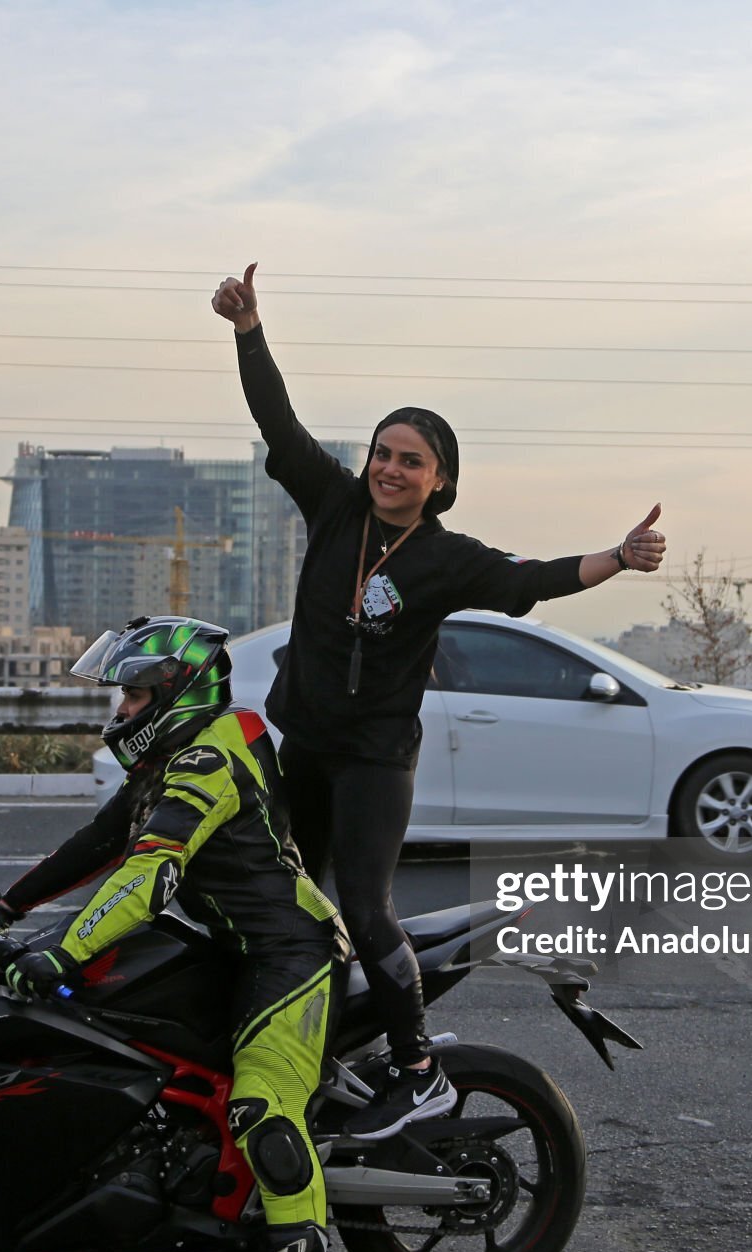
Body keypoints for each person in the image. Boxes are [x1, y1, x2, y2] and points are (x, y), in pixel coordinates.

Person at [211, 263, 667, 1141]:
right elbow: (278, 418)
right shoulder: (334, 504)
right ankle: (300, 1044)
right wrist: (249, 328)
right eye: (382, 453)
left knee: (366, 907)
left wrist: (617, 554)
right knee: (278, 897)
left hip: (376, 760)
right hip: (302, 741)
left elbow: (531, 581)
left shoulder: (446, 558)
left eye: (409, 461)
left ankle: (417, 1068)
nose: (389, 468)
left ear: (439, 482)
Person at [0, 615, 350, 1252]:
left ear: (178, 690)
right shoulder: (169, 757)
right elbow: (96, 845)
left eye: (131, 695)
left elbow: (151, 872)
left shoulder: (211, 757)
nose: (119, 711)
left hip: (291, 953)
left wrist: (64, 950)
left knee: (261, 1109)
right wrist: (1, 908)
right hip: (231, 949)